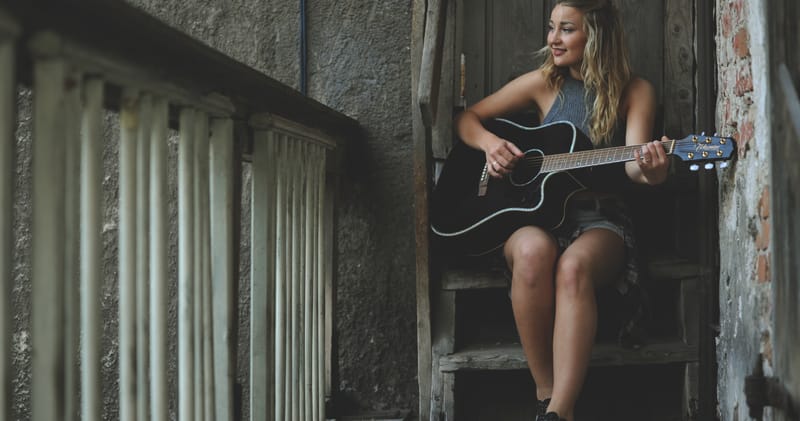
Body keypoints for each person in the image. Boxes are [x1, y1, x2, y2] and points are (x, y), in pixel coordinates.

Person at [454, 1, 670, 420]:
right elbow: (468, 119)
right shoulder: (543, 83)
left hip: (600, 217)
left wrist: (655, 172)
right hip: (533, 215)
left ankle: (560, 412)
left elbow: (634, 166)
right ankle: (545, 396)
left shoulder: (635, 91)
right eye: (551, 28)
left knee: (573, 268)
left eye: (566, 29)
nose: (552, 39)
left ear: (597, 35)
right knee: (533, 253)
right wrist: (489, 144)